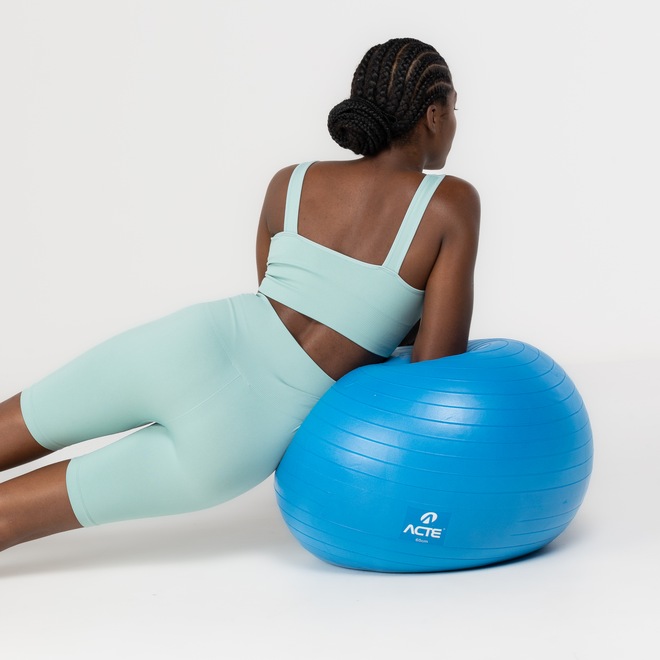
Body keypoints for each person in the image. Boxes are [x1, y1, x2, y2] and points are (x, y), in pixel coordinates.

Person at [0, 37, 480, 553]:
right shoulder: (450, 203)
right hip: (242, 437)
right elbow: (433, 366)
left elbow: (272, 299)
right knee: (8, 519)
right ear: (433, 114)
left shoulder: (290, 183)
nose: (455, 123)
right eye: (455, 110)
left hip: (184, 348)